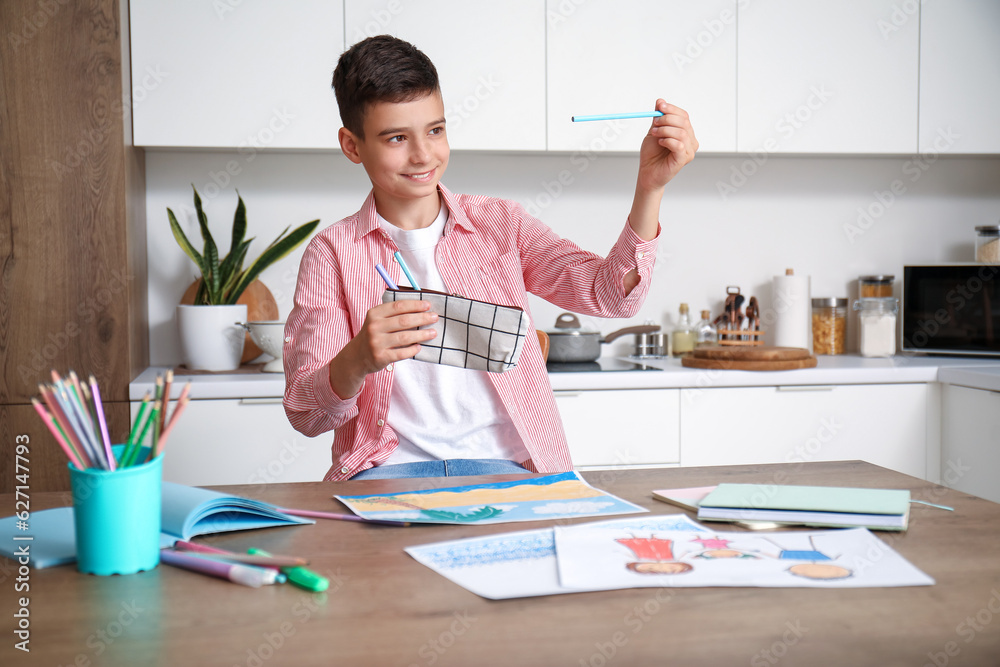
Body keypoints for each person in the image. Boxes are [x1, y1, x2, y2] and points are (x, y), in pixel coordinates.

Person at [283, 35, 698, 481]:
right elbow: (307, 415)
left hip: (507, 469)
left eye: (435, 130)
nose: (423, 154)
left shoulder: (501, 225)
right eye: (397, 138)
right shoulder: (332, 253)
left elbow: (613, 297)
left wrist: (650, 188)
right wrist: (358, 359)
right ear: (352, 145)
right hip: (387, 471)